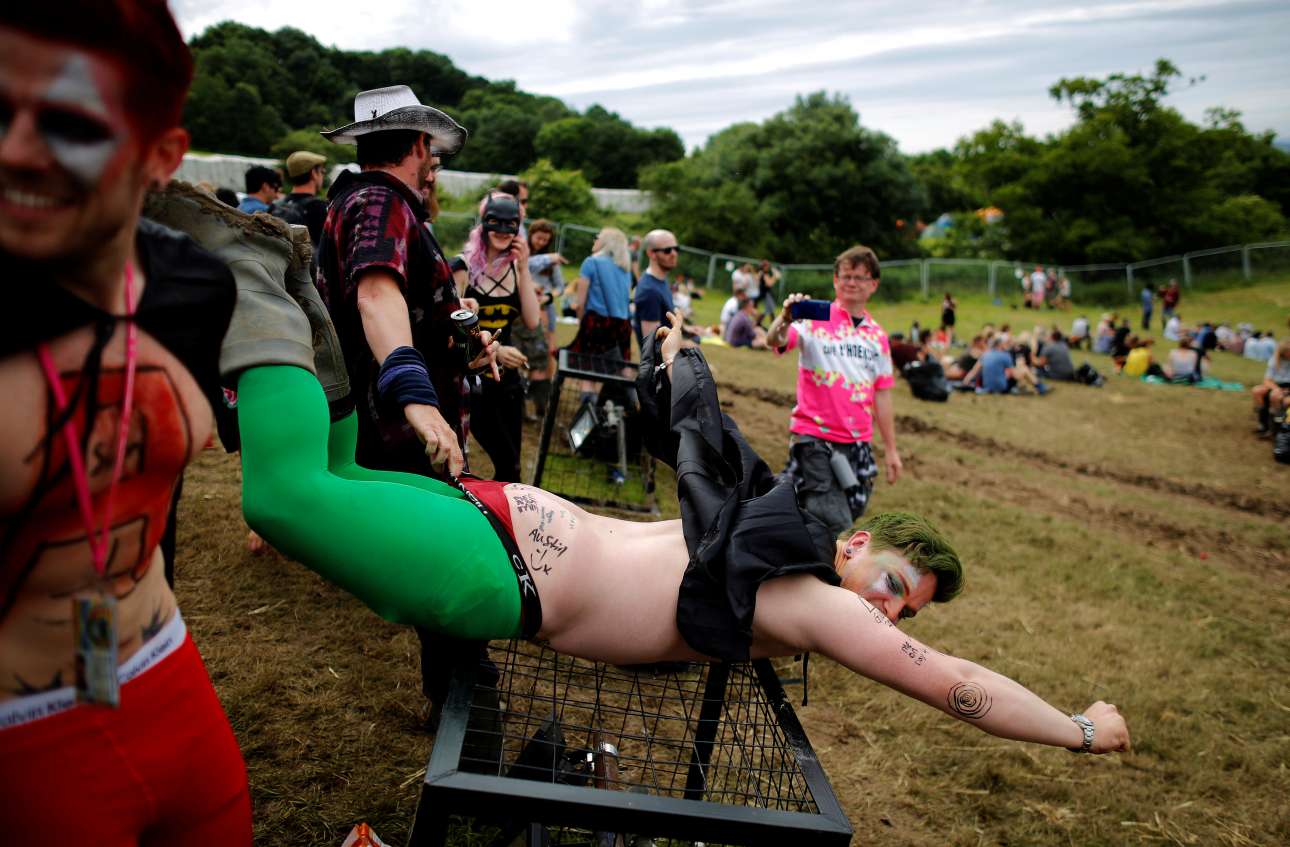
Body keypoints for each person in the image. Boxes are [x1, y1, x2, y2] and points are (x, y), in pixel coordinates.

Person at [232, 307, 1131, 761]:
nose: (890, 615)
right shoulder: (816, 600)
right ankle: (262, 292)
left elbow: (707, 429)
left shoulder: (766, 519)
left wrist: (678, 358)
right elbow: (954, 683)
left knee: (336, 474)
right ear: (855, 545)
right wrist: (1082, 731)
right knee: (283, 498)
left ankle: (303, 307)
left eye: (907, 613)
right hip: (504, 569)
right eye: (894, 586)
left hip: (510, 528)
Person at [0, 7, 251, 842]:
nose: (15, 150)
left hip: (164, 671)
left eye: (70, 124)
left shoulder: (195, 289)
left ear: (162, 156)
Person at [313, 83, 500, 720]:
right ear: (419, 144)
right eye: (433, 151)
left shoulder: (364, 200)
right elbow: (374, 295)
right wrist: (416, 395)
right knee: (449, 566)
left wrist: (461, 345)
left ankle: (460, 702)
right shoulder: (378, 200)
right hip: (400, 428)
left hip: (396, 420)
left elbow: (400, 306)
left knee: (441, 564)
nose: (435, 162)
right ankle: (467, 715)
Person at [767, 245, 902, 536]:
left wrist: (891, 450)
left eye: (859, 277)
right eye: (845, 276)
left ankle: (776, 524)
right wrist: (785, 318)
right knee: (836, 526)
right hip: (814, 438)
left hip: (857, 443)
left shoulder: (877, 336)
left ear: (873, 284)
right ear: (835, 280)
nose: (851, 282)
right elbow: (774, 340)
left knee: (845, 509)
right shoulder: (814, 318)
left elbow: (882, 394)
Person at [452, 193, 541, 482]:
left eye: (510, 224)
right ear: (483, 223)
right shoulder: (463, 267)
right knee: (498, 460)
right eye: (495, 222)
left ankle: (501, 509)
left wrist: (524, 267)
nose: (502, 231)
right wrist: (496, 348)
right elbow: (452, 327)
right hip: (474, 381)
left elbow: (533, 320)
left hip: (507, 381)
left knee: (512, 469)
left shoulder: (516, 269)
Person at [519, 218, 565, 421]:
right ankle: (523, 399)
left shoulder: (552, 263)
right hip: (524, 309)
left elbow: (560, 286)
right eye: (538, 238)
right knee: (524, 353)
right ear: (531, 235)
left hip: (545, 310)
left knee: (546, 352)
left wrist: (548, 296)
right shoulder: (523, 255)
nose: (541, 242)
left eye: (546, 240)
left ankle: (542, 403)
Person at [568, 227, 634, 364]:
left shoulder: (591, 262)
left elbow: (580, 303)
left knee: (585, 369)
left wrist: (582, 322)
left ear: (606, 242)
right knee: (617, 369)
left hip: (597, 323)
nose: (594, 240)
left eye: (597, 237)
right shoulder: (626, 269)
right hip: (623, 327)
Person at [275, 150, 329, 248]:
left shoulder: (276, 205)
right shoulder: (318, 207)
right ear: (314, 173)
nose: (323, 176)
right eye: (322, 171)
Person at [635, 229, 679, 343]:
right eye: (667, 250)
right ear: (651, 253)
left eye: (676, 249)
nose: (674, 253)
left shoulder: (661, 280)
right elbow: (653, 345)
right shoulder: (649, 291)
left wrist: (688, 329)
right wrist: (687, 345)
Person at [1252, 338, 1290, 436]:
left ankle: (1275, 426)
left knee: (1275, 396)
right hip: (1277, 385)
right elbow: (1267, 380)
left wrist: (1284, 391)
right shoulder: (1275, 360)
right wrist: (1276, 388)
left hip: (1287, 387)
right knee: (1256, 391)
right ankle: (1263, 423)